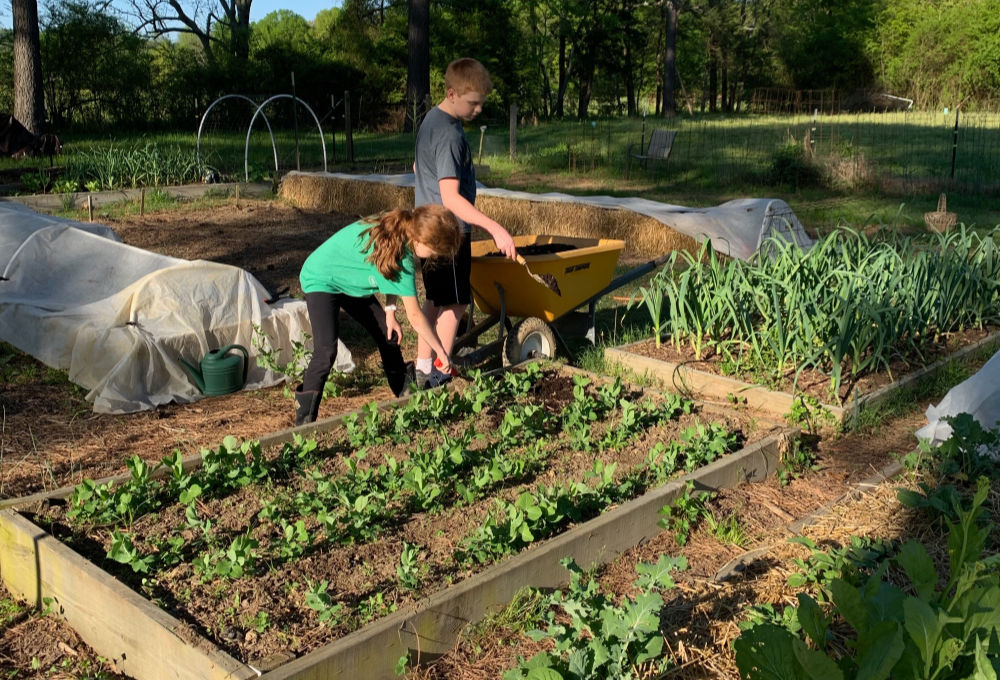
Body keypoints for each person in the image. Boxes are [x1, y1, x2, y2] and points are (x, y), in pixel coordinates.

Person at [294, 205, 462, 426]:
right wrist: (441, 352)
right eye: (435, 252)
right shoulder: (402, 255)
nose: (434, 257)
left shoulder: (401, 229)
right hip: (321, 277)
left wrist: (390, 311)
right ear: (421, 242)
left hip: (348, 280)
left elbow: (388, 270)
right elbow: (415, 317)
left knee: (387, 333)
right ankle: (303, 422)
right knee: (326, 351)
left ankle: (405, 396)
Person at [413, 57, 517, 388]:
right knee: (454, 304)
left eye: (480, 104)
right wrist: (496, 228)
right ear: (452, 93)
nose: (477, 111)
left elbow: (418, 169)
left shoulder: (431, 120)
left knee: (435, 299)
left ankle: (422, 366)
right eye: (473, 103)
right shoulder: (449, 135)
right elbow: (451, 198)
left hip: (426, 229)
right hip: (448, 233)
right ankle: (440, 375)